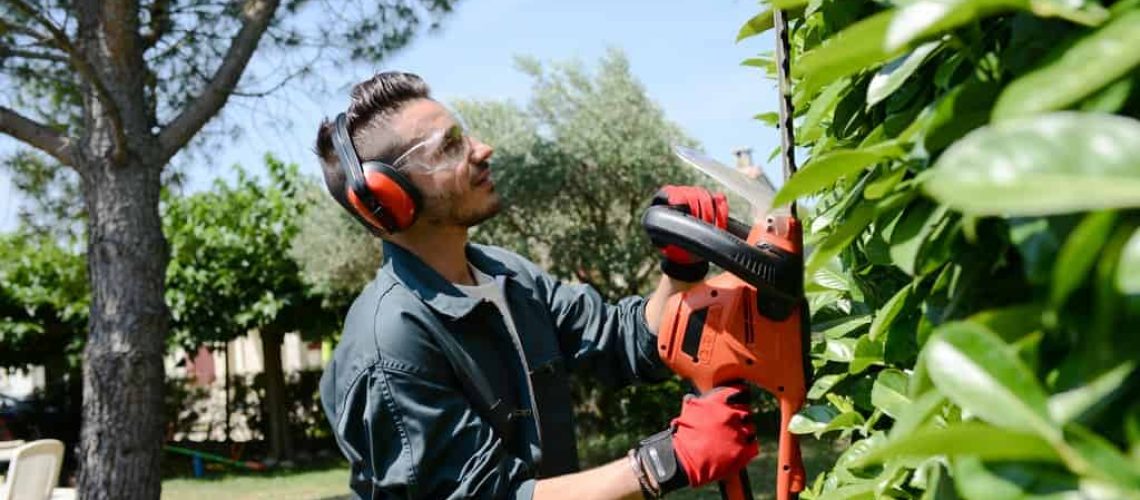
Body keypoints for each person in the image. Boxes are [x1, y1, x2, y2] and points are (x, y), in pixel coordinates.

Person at [314, 71, 757, 499]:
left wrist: (681, 268)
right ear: (387, 196)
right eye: (449, 146)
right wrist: (663, 463)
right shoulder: (389, 346)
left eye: (464, 134)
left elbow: (623, 341)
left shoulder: (507, 277)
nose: (482, 149)